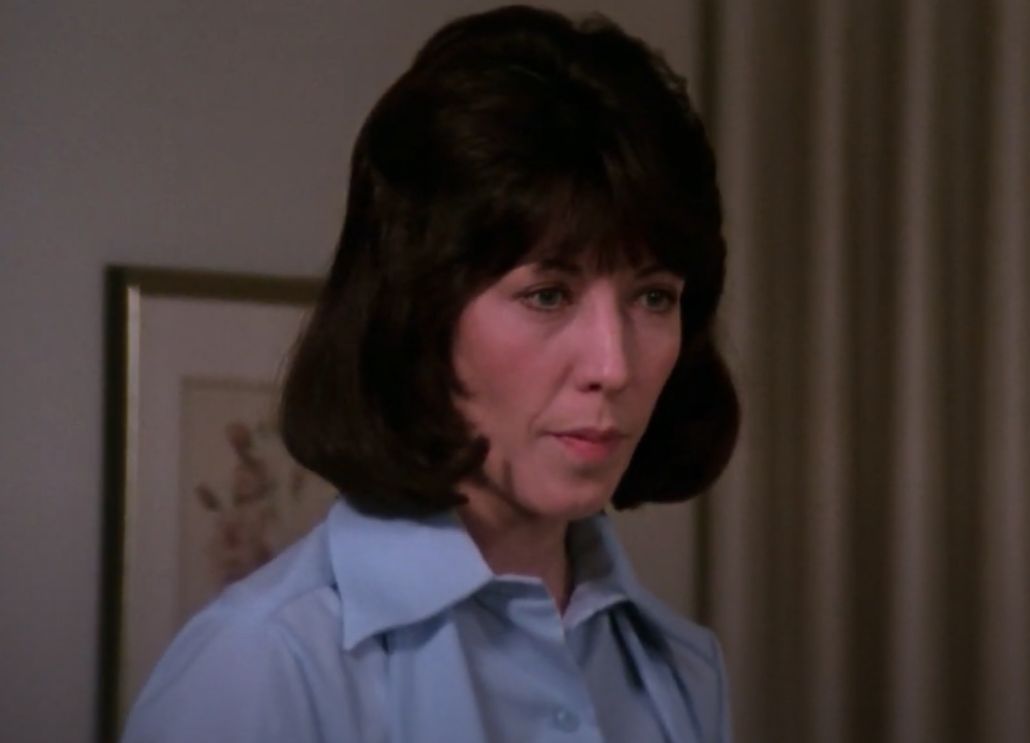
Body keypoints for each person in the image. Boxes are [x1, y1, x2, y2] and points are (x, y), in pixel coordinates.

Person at [122, 5, 739, 742]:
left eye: (653, 298)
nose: (614, 365)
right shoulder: (261, 666)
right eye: (548, 295)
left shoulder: (678, 670)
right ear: (420, 310)